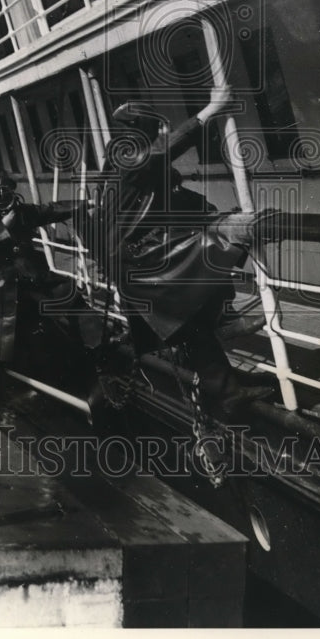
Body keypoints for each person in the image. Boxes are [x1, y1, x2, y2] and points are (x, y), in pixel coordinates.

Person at [92, 88, 273, 421]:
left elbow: (175, 199)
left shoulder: (127, 162)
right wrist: (211, 111)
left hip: (137, 256)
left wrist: (216, 213)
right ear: (142, 127)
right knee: (200, 280)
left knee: (191, 315)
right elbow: (165, 150)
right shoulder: (126, 154)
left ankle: (225, 371)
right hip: (138, 261)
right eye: (154, 127)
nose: (159, 132)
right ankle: (227, 386)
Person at [0, 170, 81, 423]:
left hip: (22, 286)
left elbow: (51, 210)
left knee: (49, 319)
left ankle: (52, 391)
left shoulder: (25, 212)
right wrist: (6, 225)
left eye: (6, 192)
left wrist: (85, 204)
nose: (1, 199)